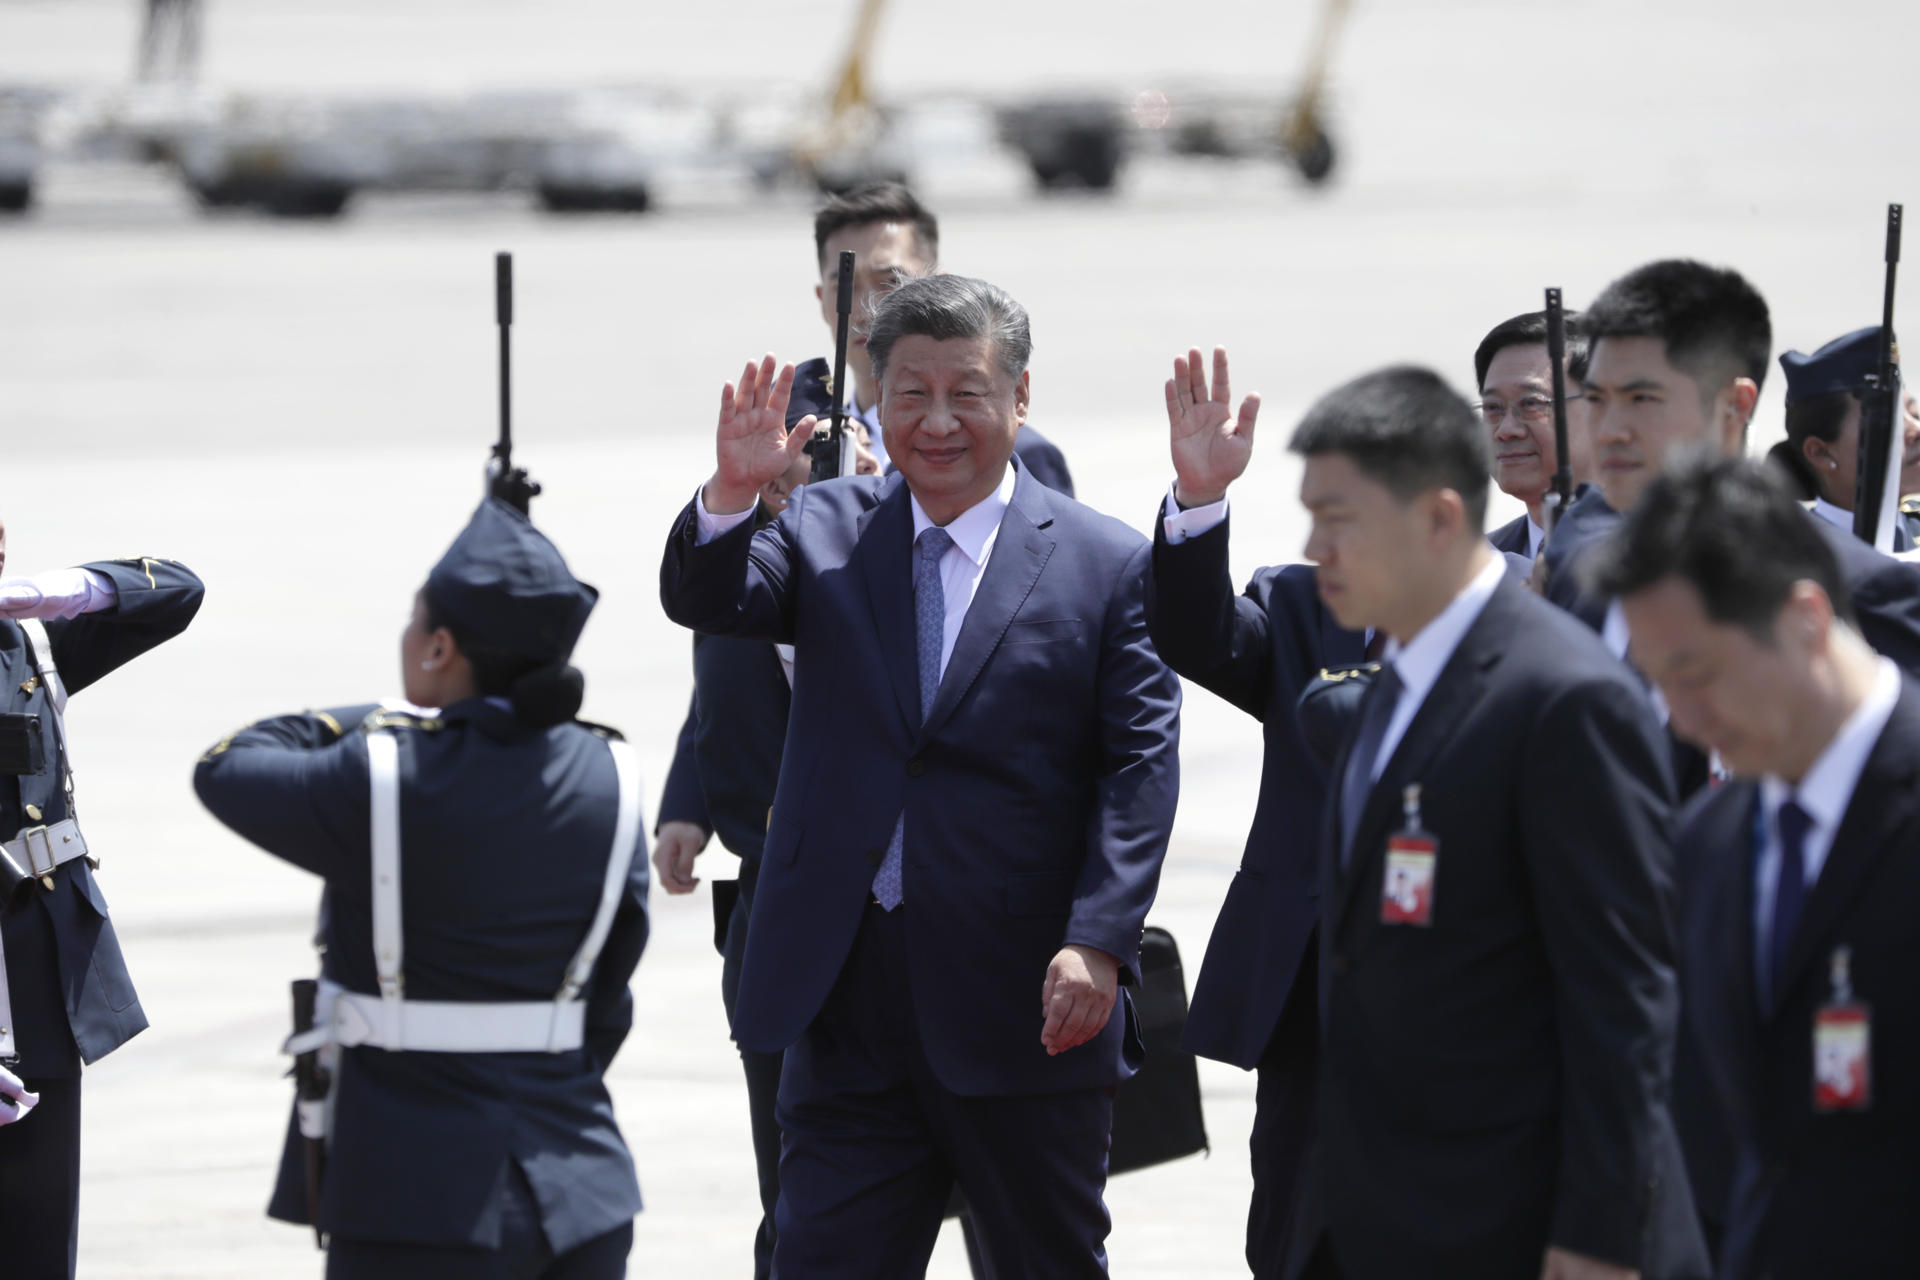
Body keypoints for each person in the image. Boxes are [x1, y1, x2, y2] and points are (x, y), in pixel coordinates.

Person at [658, 274, 1180, 1279]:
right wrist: (729, 495)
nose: (937, 422)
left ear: (1020, 398)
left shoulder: (1106, 562)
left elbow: (1139, 764)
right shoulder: (824, 529)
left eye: (968, 393)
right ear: (877, 395)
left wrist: (1100, 937)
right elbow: (708, 597)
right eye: (910, 393)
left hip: (1028, 1000)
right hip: (843, 991)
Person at [1257, 365, 1705, 1279]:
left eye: (1341, 521)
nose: (1316, 549)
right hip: (1379, 1216)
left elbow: (1622, 1001)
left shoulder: (1563, 699)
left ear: (1438, 517)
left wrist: (1597, 1236)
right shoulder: (1395, 685)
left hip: (1515, 1224)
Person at [194, 498, 648, 1279]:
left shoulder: (382, 778)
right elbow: (609, 996)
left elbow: (228, 765)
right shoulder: (611, 775)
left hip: (416, 1204)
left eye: (416, 625)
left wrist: (400, 714)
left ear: (440, 648)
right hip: (581, 1194)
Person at [1596, 453, 1920, 1279]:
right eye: (1661, 684)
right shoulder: (1712, 843)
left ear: (1807, 619)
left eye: (1698, 674)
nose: (1682, 718)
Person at [1142, 346, 1364, 1277]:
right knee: (1293, 1237)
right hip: (1313, 992)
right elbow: (1200, 638)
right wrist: (1198, 501)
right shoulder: (1303, 604)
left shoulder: (1524, 598)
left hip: (1461, 985)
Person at [651, 434, 882, 1280]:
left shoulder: (878, 560)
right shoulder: (737, 567)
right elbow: (713, 684)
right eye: (765, 485)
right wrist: (688, 802)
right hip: (768, 894)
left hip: (876, 895)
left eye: (796, 485)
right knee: (785, 1172)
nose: (778, 502)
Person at [1543, 259, 1920, 677]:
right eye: (1595, 400)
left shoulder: (1855, 591)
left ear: (1734, 406)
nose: (1610, 431)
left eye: (1642, 400)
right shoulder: (1581, 557)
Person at [0, 549, 204, 1280]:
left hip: (36, 981)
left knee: (37, 1244)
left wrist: (53, 594)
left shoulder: (26, 638)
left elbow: (177, 591)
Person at [783, 181, 1075, 494]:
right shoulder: (798, 452)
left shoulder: (1018, 458)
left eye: (890, 282)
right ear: (822, 299)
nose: (866, 309)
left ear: (937, 287)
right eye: (845, 287)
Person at [1764, 325, 1920, 550]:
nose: (1915, 431)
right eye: (1891, 422)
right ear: (1821, 452)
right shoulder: (1790, 556)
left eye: (1914, 414)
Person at [1473, 309, 1594, 557]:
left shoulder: (1668, 556)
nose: (1506, 431)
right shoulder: (1479, 567)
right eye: (1492, 408)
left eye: (1531, 404)